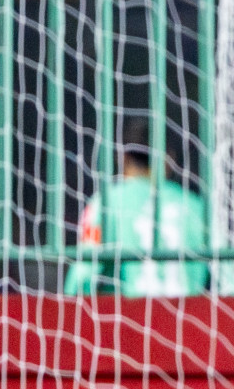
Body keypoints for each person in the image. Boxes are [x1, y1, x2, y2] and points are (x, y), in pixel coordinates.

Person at [64, 118, 209, 297]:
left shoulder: (106, 203)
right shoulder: (196, 207)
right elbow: (227, 276)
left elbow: (83, 278)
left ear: (122, 157)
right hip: (192, 318)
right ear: (169, 159)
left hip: (130, 319)